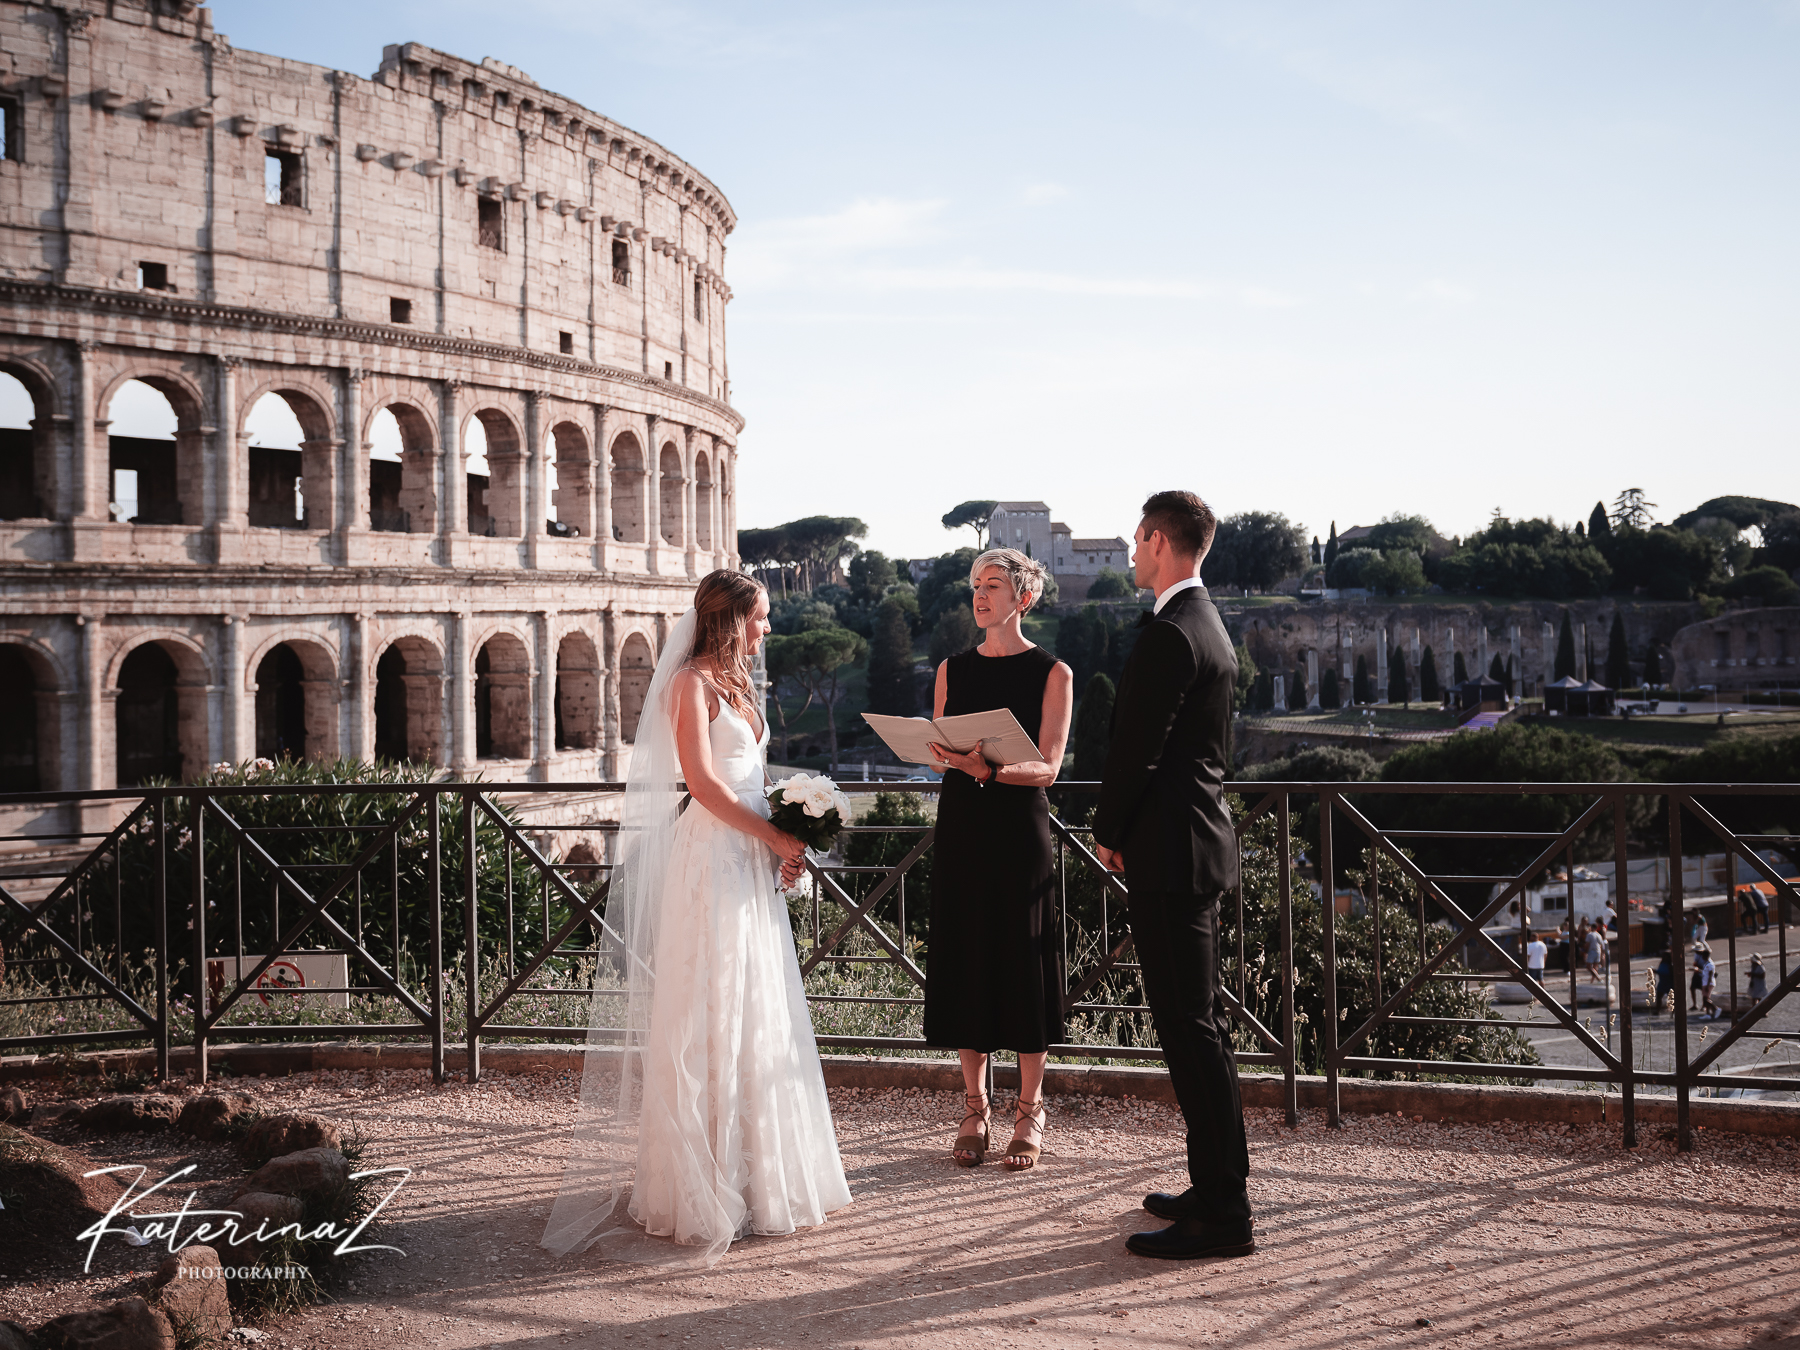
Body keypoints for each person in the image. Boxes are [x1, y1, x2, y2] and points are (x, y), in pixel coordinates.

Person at [542, 571, 851, 1264]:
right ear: (731, 619)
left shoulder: (740, 685)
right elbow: (704, 785)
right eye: (761, 618)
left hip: (748, 854)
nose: (769, 629)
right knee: (710, 1006)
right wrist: (772, 835)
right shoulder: (689, 685)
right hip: (711, 859)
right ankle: (703, 1183)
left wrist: (788, 828)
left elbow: (748, 777)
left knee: (757, 1005)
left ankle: (760, 1175)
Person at [1092, 490, 1254, 1261]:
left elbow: (1138, 750)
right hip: (1193, 845)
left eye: (1135, 539)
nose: (1130, 552)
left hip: (1169, 850)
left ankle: (1225, 1214)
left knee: (1192, 1034)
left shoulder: (1169, 632)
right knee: (1198, 1032)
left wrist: (1107, 830)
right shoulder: (1207, 622)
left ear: (1160, 540)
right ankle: (1212, 1187)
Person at [923, 548, 1074, 1172]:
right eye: (976, 586)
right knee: (968, 958)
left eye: (993, 586)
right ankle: (975, 1106)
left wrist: (990, 767)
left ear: (1024, 598)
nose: (980, 595)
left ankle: (1031, 1109)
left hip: (1019, 834)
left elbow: (1050, 765)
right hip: (962, 828)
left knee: (1023, 963)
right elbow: (937, 747)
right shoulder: (950, 669)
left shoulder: (1054, 672)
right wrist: (939, 754)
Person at [1698, 947, 1718, 1019]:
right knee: (1705, 998)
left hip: (1708, 983)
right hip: (1705, 982)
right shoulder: (1706, 963)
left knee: (1706, 999)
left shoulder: (1710, 964)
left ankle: (1715, 1008)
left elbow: (1710, 975)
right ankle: (1708, 1013)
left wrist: (1707, 985)